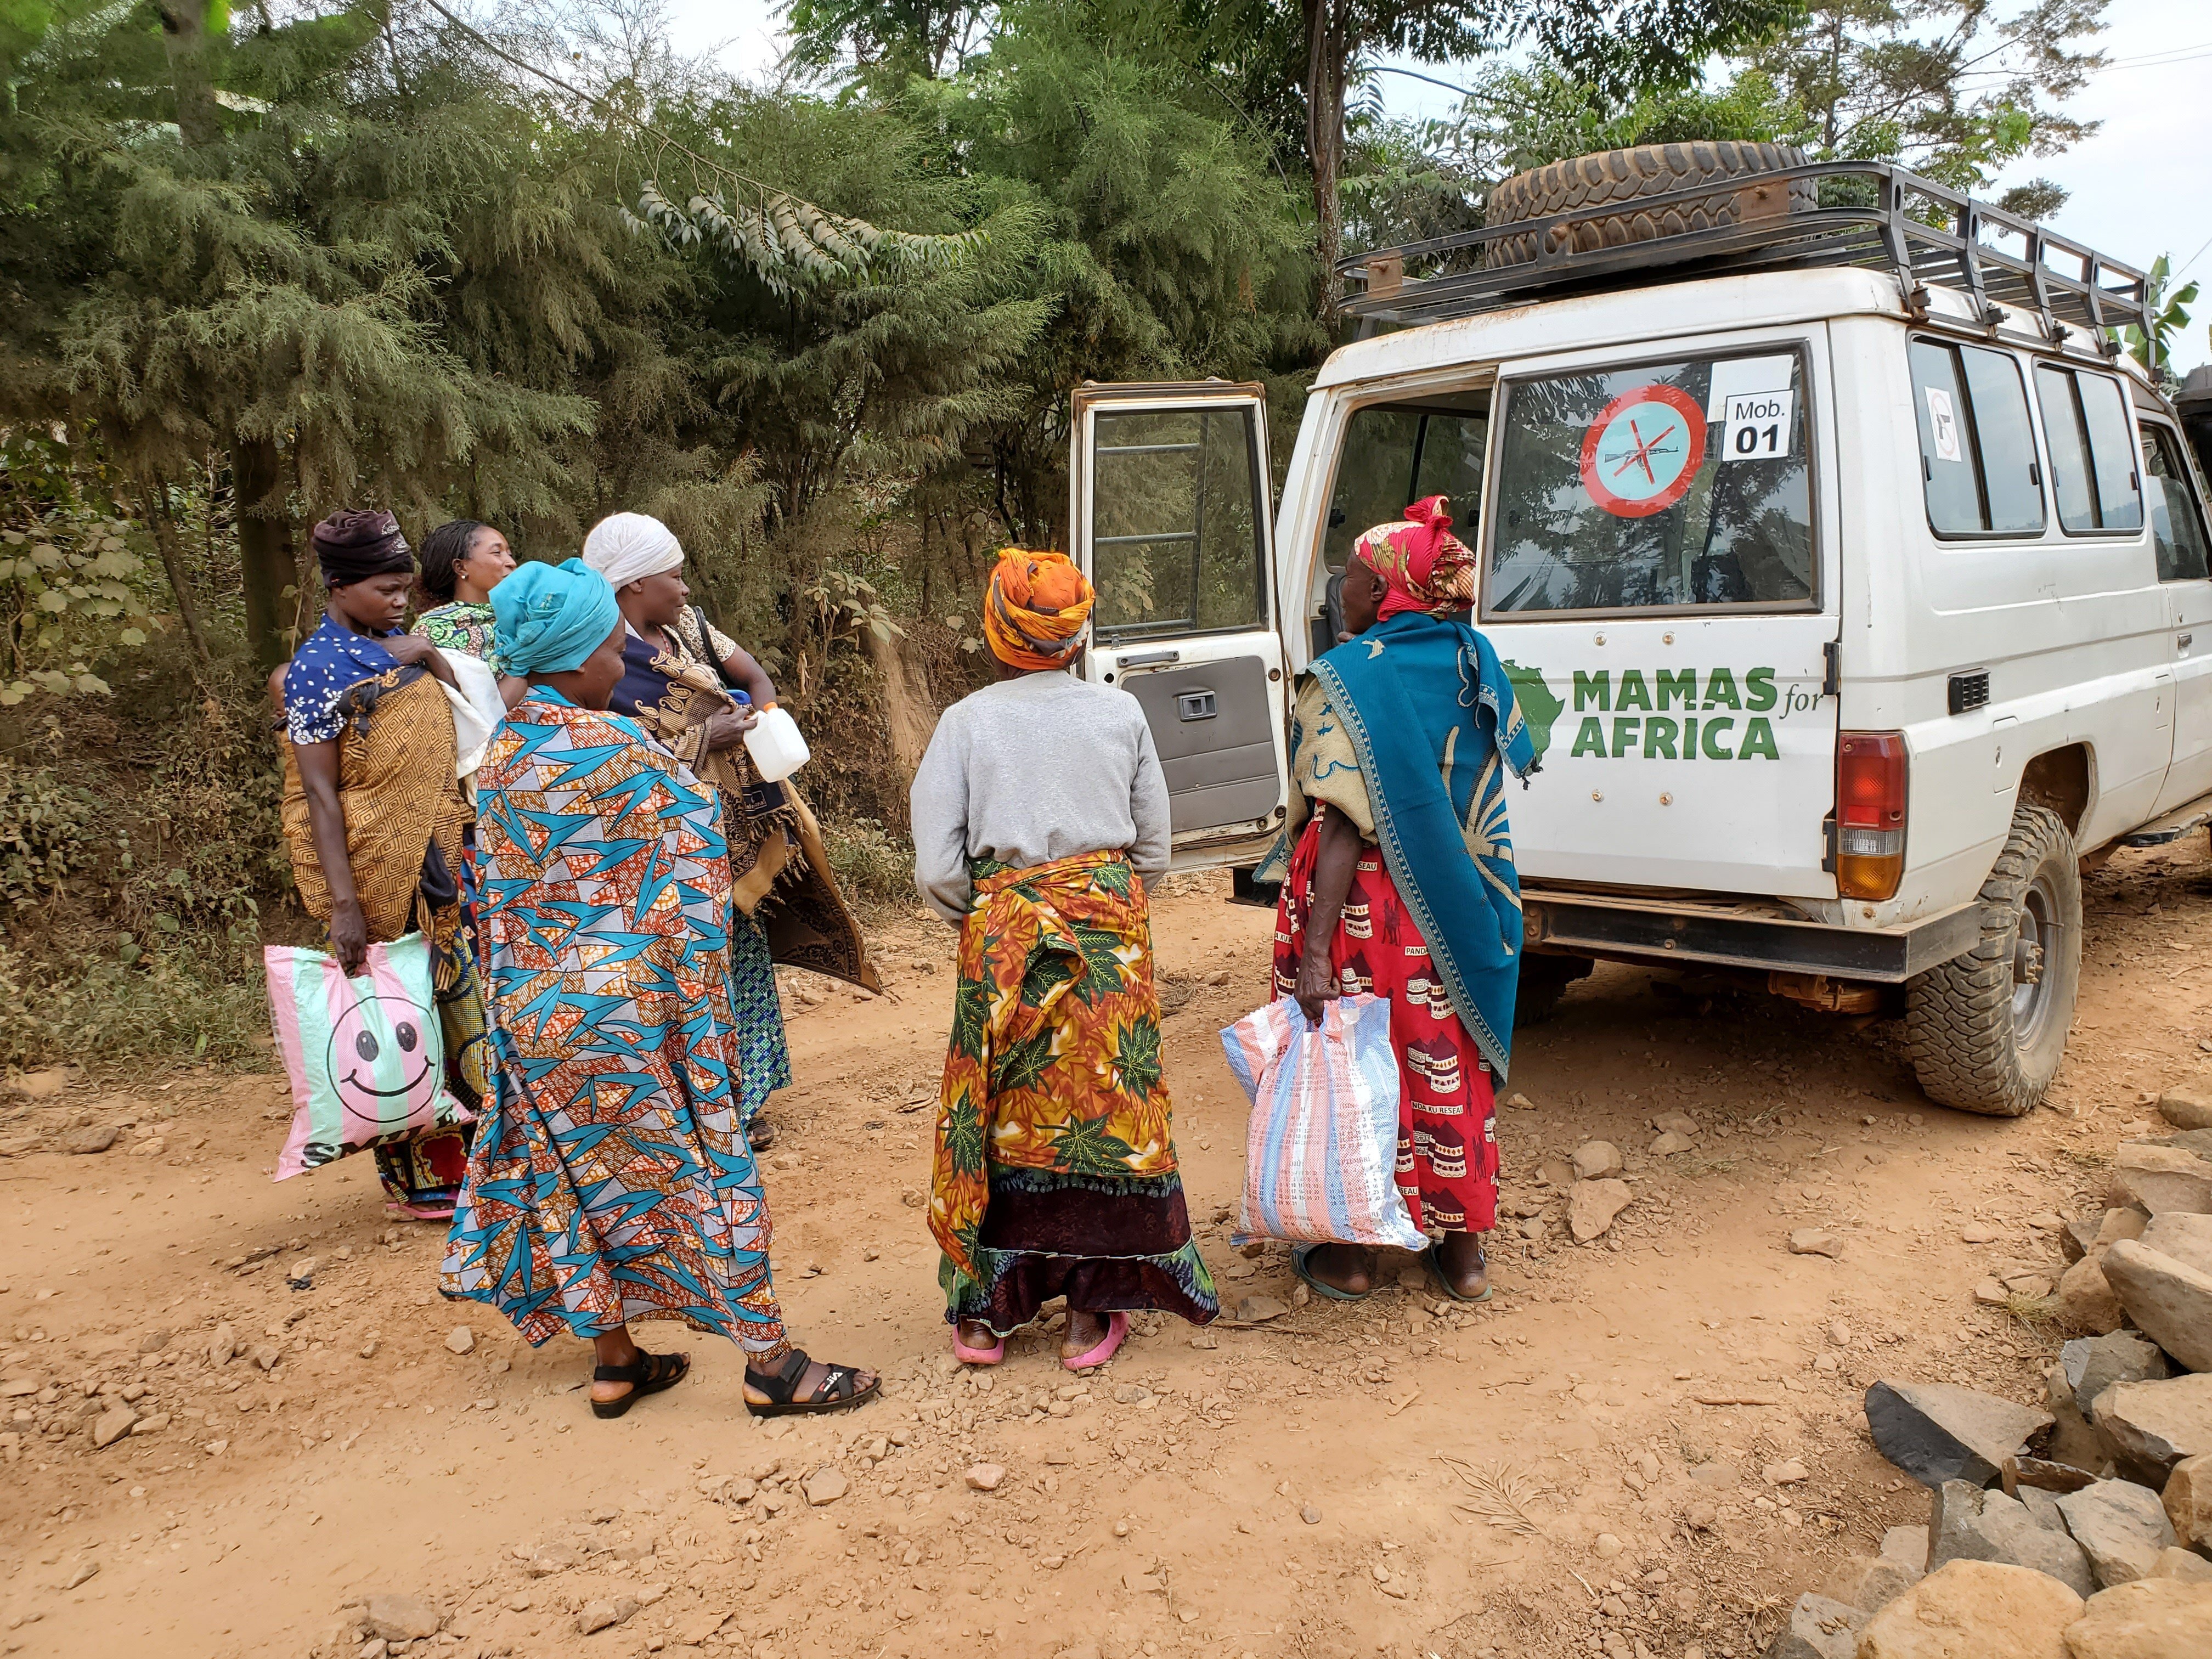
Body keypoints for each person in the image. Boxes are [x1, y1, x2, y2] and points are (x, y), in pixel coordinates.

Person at [440, 558, 878, 1419]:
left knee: (575, 1183)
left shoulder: (494, 765)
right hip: (636, 1019)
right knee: (711, 1175)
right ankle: (771, 1368)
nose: (622, 662)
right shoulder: (625, 752)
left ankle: (616, 1363)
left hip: (537, 1026)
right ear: (573, 658)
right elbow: (694, 888)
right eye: (611, 647)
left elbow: (489, 904)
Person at [910, 547, 1218, 1370]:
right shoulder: (1119, 717)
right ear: (1076, 638)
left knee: (1006, 1106)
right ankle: (1090, 1312)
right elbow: (1153, 846)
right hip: (1108, 931)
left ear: (998, 635)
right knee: (1110, 1108)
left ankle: (989, 1314)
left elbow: (940, 870)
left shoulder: (966, 724)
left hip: (1005, 935)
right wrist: (1100, 900)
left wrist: (994, 916)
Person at [1270, 496, 1538, 1304]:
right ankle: (1463, 1257)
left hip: (1366, 911)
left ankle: (1354, 1256)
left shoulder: (1354, 677)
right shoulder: (1476, 659)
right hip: (1460, 900)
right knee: (1447, 1064)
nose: (1342, 587)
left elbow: (1346, 823)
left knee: (1359, 1067)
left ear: (1387, 588)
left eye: (1353, 574)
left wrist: (1316, 950)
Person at [580, 511, 878, 1153]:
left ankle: (746, 1098)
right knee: (685, 973)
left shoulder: (688, 627)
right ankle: (696, 1110)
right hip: (657, 840)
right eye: (675, 576)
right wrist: (700, 738)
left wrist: (766, 716)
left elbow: (750, 672)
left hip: (734, 826)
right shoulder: (595, 651)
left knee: (737, 961)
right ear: (633, 584)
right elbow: (605, 753)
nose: (686, 590)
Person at [274, 509, 489, 1220]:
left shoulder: (403, 647)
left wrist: (424, 655)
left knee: (458, 1010)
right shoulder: (313, 674)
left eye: (404, 586)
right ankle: (426, 1178)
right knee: (401, 1012)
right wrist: (345, 907)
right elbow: (319, 794)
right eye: (384, 588)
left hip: (440, 857)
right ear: (338, 586)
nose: (400, 598)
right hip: (374, 871)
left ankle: (482, 1164)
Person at [410, 518, 517, 674]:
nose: (512, 563)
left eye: (509, 554)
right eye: (497, 553)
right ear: (461, 567)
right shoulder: (434, 629)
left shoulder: (526, 618)